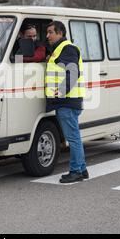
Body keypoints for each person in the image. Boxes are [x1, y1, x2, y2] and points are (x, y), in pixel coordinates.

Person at [45, 21, 88, 184]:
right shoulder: (59, 49)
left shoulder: (67, 48)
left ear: (60, 33)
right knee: (75, 137)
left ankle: (76, 171)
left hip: (67, 101)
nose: (48, 35)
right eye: (47, 32)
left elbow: (73, 72)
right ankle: (82, 170)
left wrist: (61, 92)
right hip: (67, 101)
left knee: (73, 138)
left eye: (51, 32)